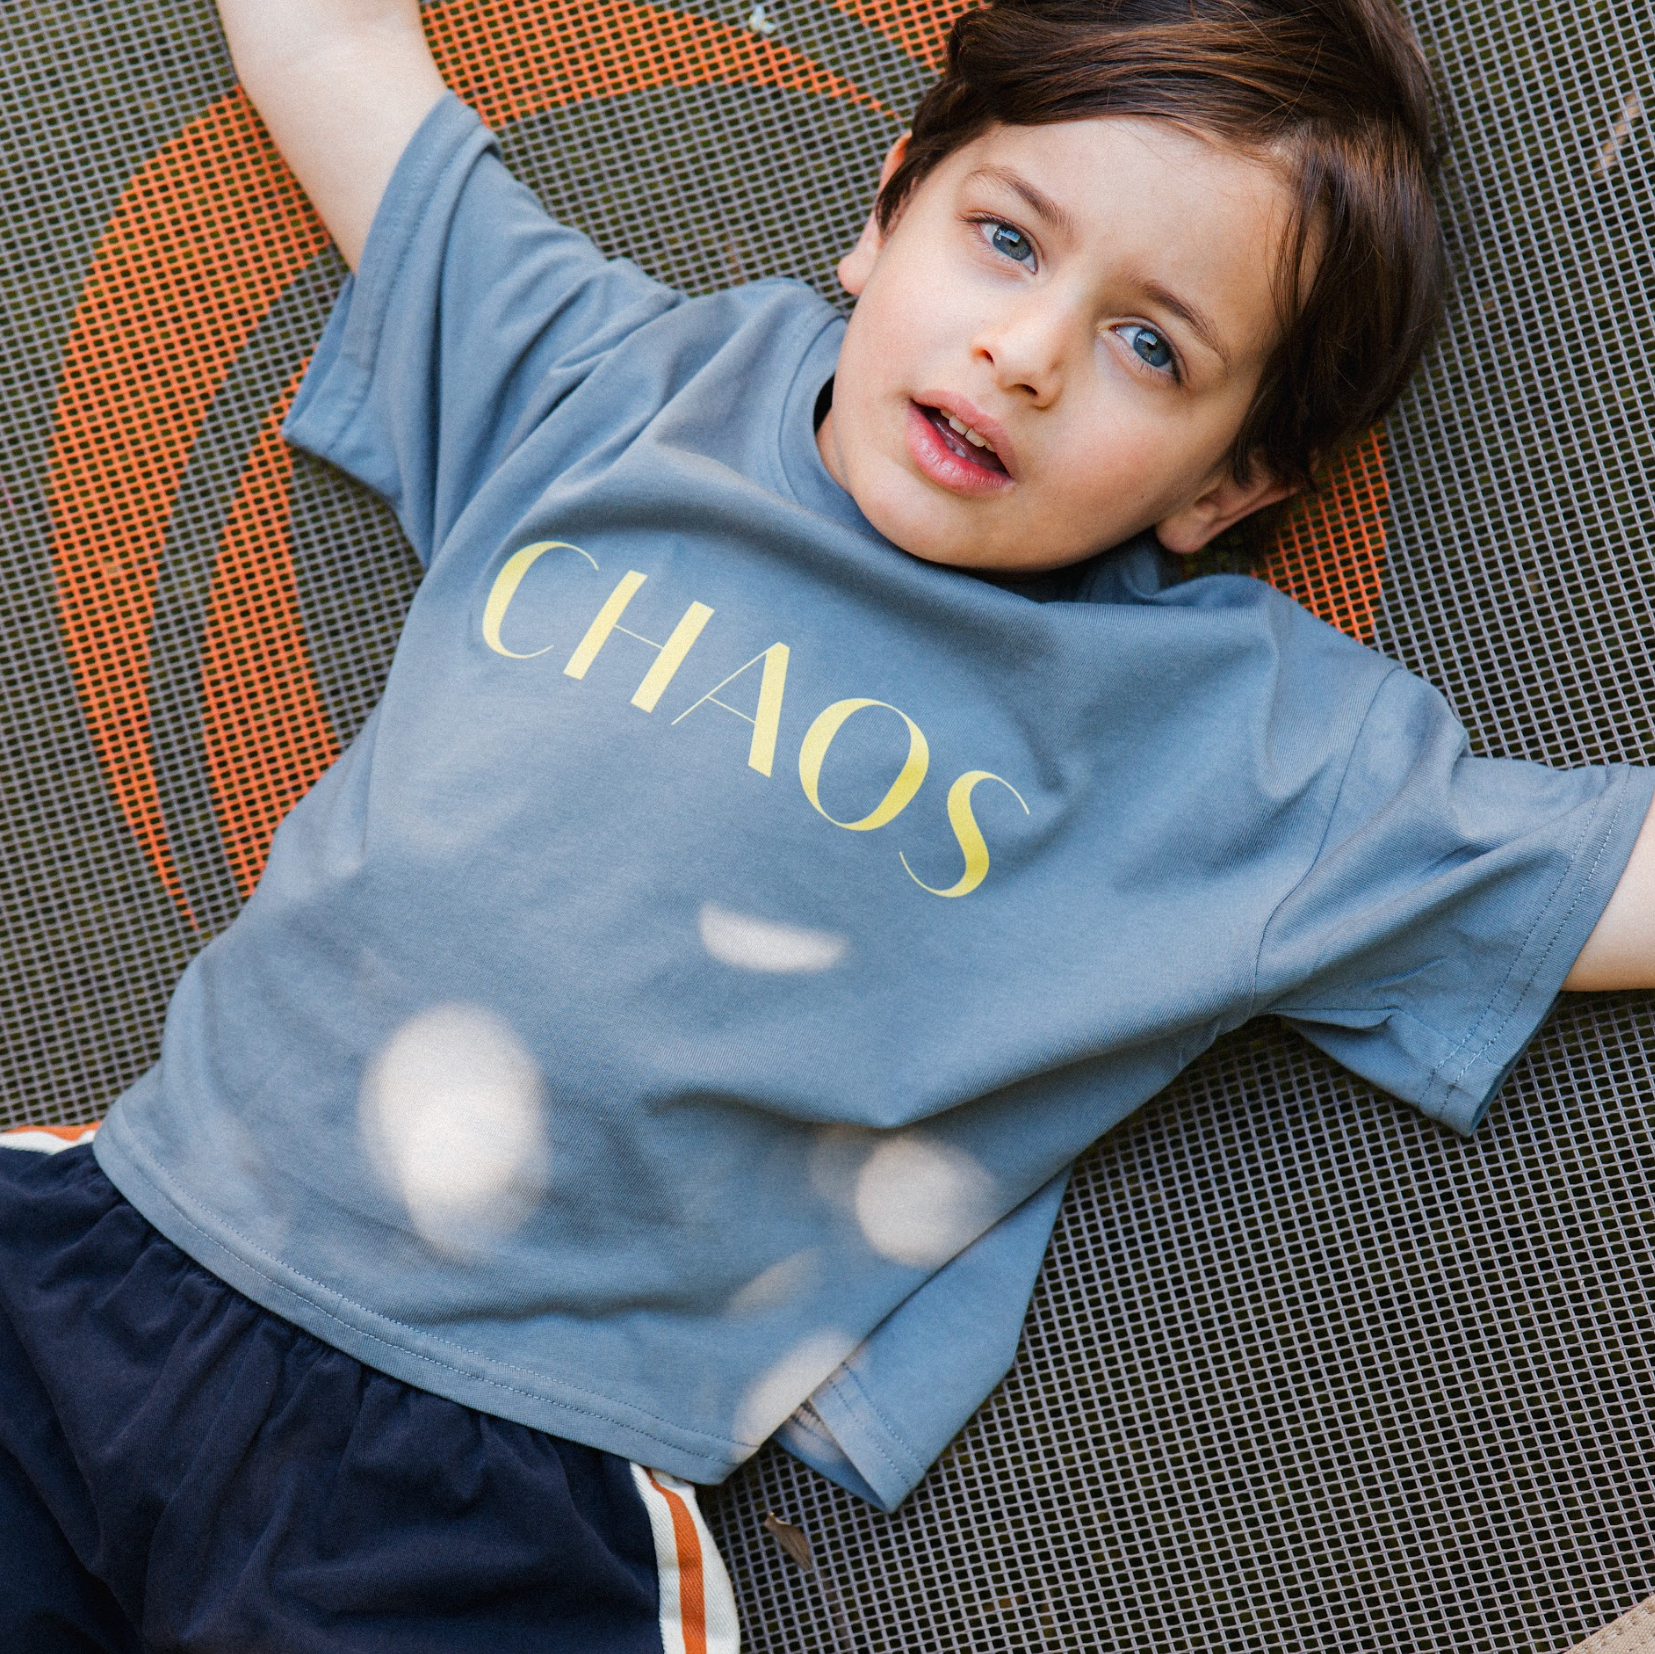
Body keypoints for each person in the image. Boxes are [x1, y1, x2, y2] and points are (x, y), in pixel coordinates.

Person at [5, 0, 1655, 1648]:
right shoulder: (613, 386)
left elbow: (1593, 882)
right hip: (107, 1255)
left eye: (1152, 346)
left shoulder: (1231, 749)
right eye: (1004, 239)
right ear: (886, 211)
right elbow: (331, 60)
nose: (1028, 349)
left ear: (1227, 484)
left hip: (496, 1478)